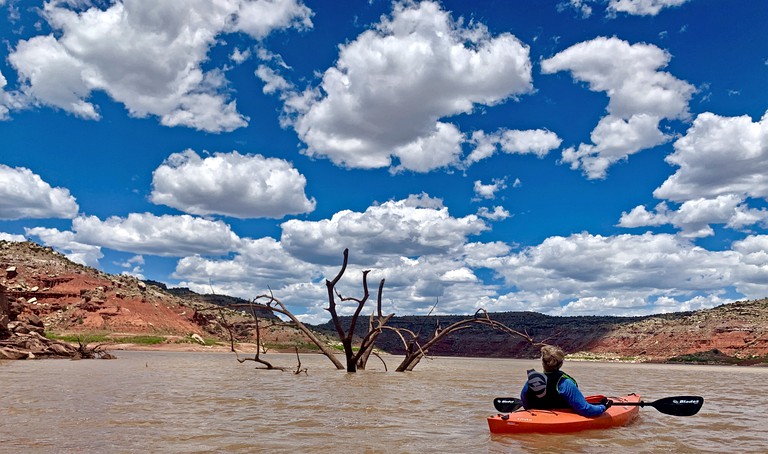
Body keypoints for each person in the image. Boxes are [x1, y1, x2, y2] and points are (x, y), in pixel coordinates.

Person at [520, 345, 611, 417]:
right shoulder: (565, 383)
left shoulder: (531, 382)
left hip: (535, 417)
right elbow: (586, 410)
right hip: (560, 417)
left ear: (543, 362)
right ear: (561, 363)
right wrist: (603, 406)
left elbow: (526, 405)